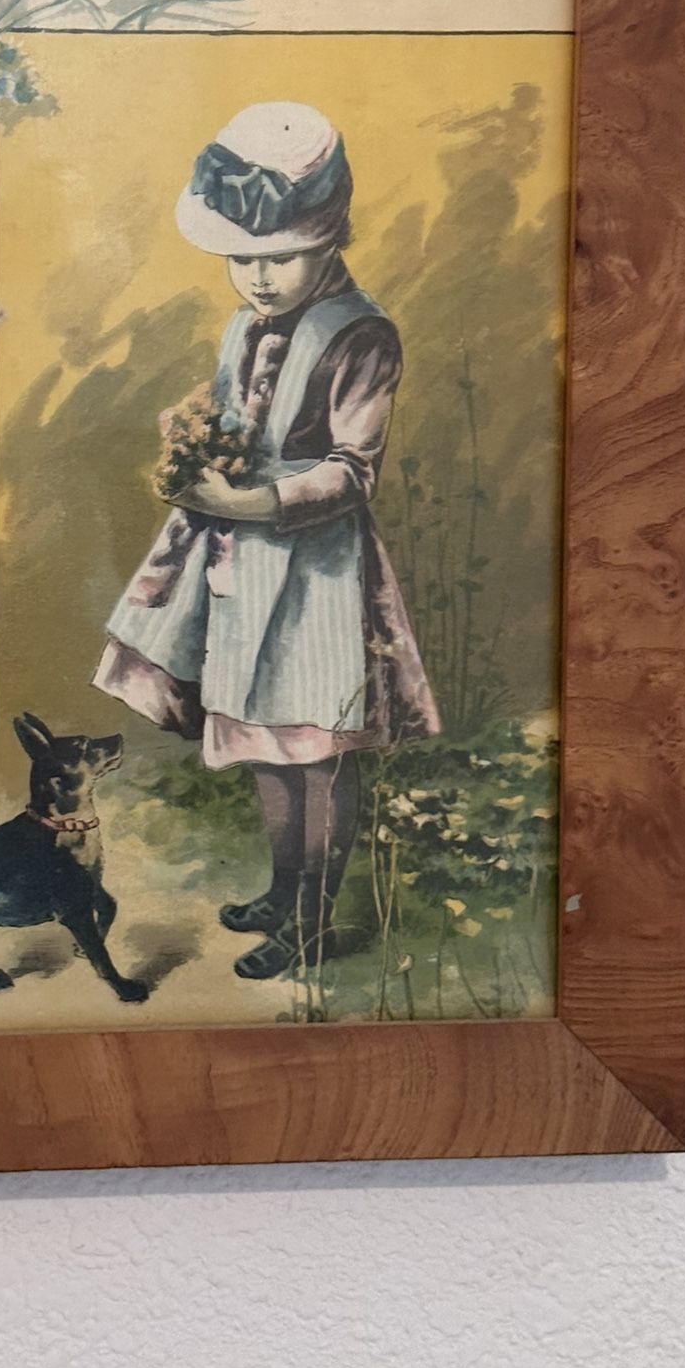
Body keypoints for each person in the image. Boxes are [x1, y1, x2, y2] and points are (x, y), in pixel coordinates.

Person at [92, 101, 440, 979]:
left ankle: (313, 919)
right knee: (263, 741)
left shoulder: (361, 334)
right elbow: (230, 420)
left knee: (315, 751)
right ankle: (283, 892)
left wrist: (246, 501)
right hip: (243, 567)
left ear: (328, 241)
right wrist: (193, 456)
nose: (258, 278)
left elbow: (352, 472)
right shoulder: (241, 323)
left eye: (279, 257)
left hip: (317, 572)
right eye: (241, 259)